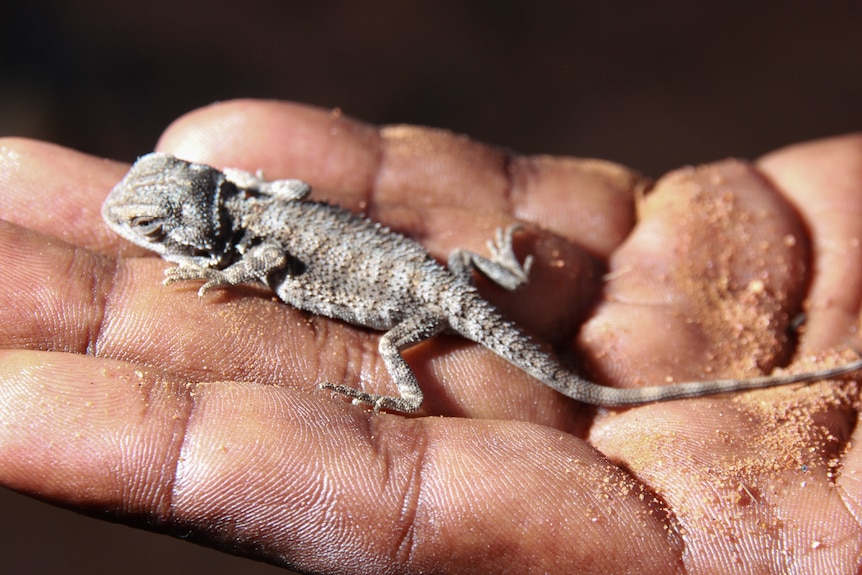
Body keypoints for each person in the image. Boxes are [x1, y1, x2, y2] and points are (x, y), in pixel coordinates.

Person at [1, 99, 861, 573]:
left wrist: (222, 272)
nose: (136, 228)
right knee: (460, 298)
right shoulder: (261, 201)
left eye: (154, 224)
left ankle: (408, 395)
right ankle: (499, 286)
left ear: (198, 213)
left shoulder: (251, 231)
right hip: (442, 278)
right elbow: (287, 192)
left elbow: (264, 251)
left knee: (393, 350)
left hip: (414, 303)